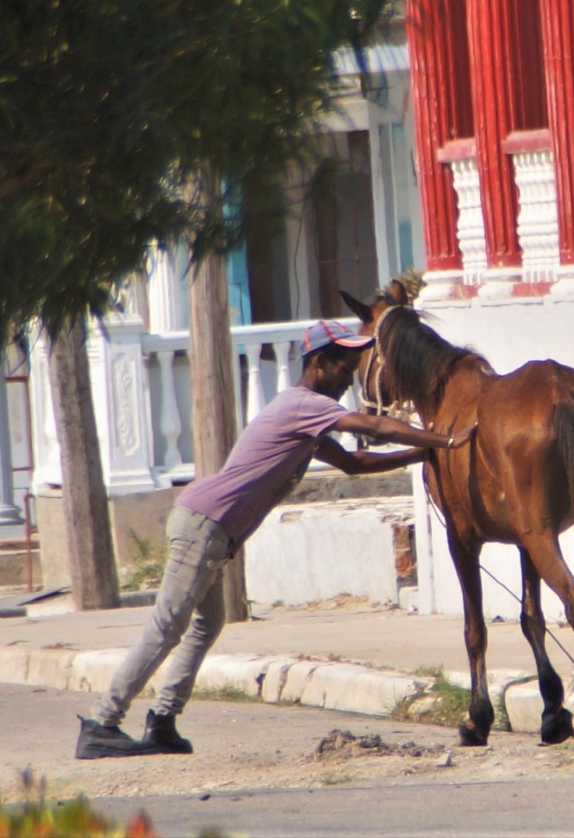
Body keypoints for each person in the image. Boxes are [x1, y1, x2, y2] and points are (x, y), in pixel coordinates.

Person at [76, 319, 472, 759]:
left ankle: (164, 720)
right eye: (344, 370)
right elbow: (371, 429)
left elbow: (354, 463)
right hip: (203, 524)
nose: (348, 382)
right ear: (320, 363)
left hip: (210, 528)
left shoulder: (303, 419)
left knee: (207, 623)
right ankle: (102, 722)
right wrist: (446, 439)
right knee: (167, 627)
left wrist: (423, 452)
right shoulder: (302, 404)